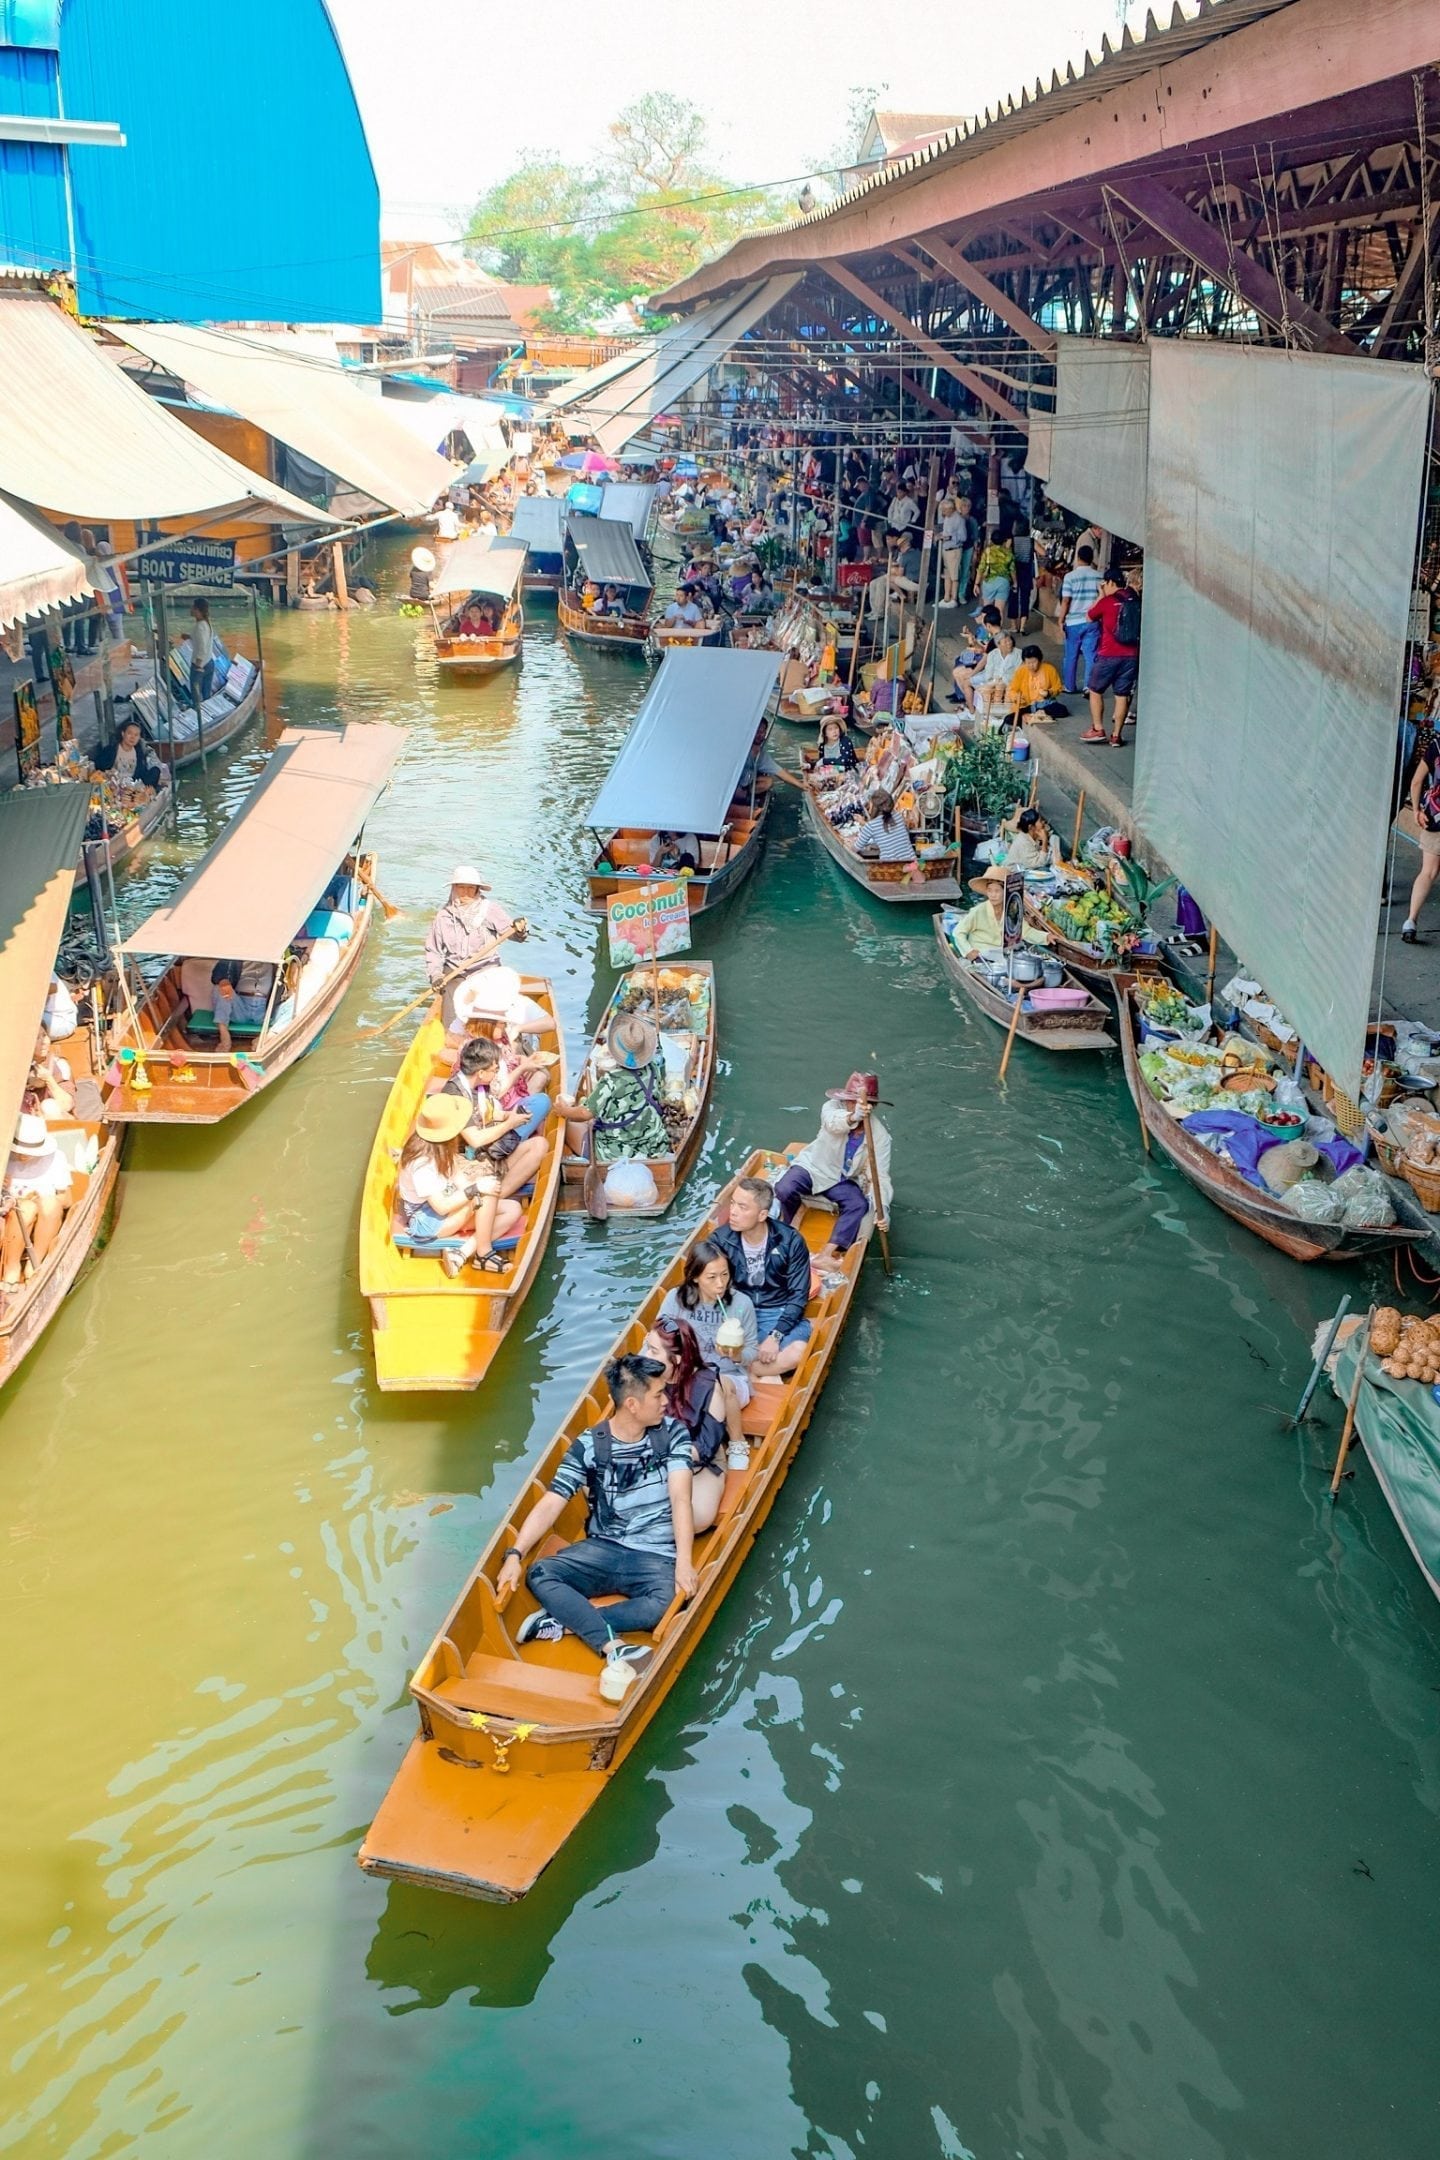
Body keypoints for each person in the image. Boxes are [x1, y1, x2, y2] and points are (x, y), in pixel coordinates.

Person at [503, 1353, 696, 1665]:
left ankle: (565, 1622)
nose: (666, 1400)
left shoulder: (673, 1434)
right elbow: (554, 1500)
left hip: (655, 1553)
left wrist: (684, 1563)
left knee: (666, 1603)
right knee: (540, 1573)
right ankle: (612, 1646)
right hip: (603, 1547)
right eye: (659, 1394)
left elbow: (680, 1499)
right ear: (632, 1404)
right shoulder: (590, 1445)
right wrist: (515, 1554)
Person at [396, 1091, 522, 1277]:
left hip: (443, 1208)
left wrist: (476, 1192)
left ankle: (462, 1253)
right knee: (484, 1191)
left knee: (513, 1208)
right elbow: (441, 1207)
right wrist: (476, 1190)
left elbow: (459, 1179)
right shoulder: (422, 1161)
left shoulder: (442, 1148)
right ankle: (484, 1254)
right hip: (426, 1221)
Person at [776, 1074, 892, 1269]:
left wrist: (884, 1210)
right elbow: (833, 1123)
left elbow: (880, 1177)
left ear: (872, 1106)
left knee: (858, 1204)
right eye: (850, 1100)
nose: (852, 1104)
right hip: (814, 1166)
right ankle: (787, 1232)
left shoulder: (880, 1136)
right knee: (784, 1188)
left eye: (860, 1103)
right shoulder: (831, 1108)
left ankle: (827, 1254)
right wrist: (853, 1117)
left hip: (841, 1179)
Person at [641, 1316, 744, 1529]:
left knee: (695, 1521)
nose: (645, 1356)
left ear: (676, 1359)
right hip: (652, 1458)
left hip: (699, 1462)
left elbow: (706, 1447)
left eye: (653, 1351)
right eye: (647, 1348)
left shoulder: (708, 1387)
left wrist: (664, 1456)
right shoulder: (644, 1377)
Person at [713, 1175, 813, 1383]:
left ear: (762, 1215)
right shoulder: (720, 1240)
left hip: (776, 1311)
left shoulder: (790, 1241)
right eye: (732, 1203)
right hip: (738, 1310)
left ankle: (748, 1370)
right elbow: (708, 1284)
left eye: (742, 1207)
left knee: (798, 1353)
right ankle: (751, 1368)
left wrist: (775, 1336)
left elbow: (798, 1296)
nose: (733, 1211)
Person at [658, 1239, 758, 1410]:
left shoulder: (741, 1304)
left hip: (729, 1378)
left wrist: (736, 1355)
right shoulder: (676, 1299)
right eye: (712, 1277)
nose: (720, 1284)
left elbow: (752, 1351)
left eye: (725, 1275)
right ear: (695, 1277)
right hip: (684, 1375)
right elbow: (658, 1339)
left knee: (709, 1391)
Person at [560, 1012, 670, 1168]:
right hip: (655, 1146)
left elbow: (584, 1113)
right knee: (593, 1120)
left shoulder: (611, 1080)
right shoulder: (653, 1069)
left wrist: (563, 1111)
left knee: (568, 1126)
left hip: (615, 1153)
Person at [442, 1036, 549, 1197]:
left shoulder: (478, 1086)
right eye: (494, 1070)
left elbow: (488, 1112)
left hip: (486, 1152)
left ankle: (498, 1194)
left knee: (539, 1145)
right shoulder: (456, 1095)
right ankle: (491, 1197)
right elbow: (475, 1139)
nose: (496, 1074)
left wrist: (508, 1116)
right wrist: (510, 1123)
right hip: (466, 1161)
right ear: (481, 1072)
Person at [424, 867, 526, 1025]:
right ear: (454, 889)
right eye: (461, 887)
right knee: (452, 1021)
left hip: (486, 970)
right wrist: (436, 975)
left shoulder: (490, 909)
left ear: (478, 889)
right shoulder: (443, 916)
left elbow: (511, 933)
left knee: (489, 1019)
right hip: (455, 973)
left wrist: (518, 930)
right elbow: (434, 951)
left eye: (471, 888)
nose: (465, 893)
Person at [1, 1111, 72, 1290]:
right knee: (26, 1208)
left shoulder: (56, 1158)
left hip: (44, 1211)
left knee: (49, 1204)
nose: (24, 1155)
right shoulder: (4, 1157)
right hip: (14, 1213)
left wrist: (40, 1198)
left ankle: (35, 1265)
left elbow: (67, 1199)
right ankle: (12, 1268)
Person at [1080, 575, 1141, 747]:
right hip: (1131, 655)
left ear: (1111, 582)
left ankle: (1098, 728)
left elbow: (1089, 617)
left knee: (1094, 689)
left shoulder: (1107, 602)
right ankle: (1116, 736)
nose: (1103, 587)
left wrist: (1101, 595)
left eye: (1104, 584)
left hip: (1108, 655)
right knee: (1122, 695)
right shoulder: (1135, 600)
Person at [949, 861, 1051, 955]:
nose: (993, 895)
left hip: (1002, 954)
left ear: (1006, 892)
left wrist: (1046, 937)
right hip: (981, 954)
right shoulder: (978, 911)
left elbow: (1026, 932)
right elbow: (958, 932)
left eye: (997, 891)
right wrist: (969, 951)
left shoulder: (1012, 911)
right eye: (990, 890)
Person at [1400, 740, 1440, 941]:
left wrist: (1416, 810)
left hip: (1435, 819)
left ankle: (1410, 922)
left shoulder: (1437, 746)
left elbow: (1416, 781)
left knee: (1428, 872)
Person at [1056, 543, 1104, 694]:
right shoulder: (1099, 576)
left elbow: (1066, 601)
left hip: (1073, 622)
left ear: (1077, 558)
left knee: (1071, 655)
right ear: (1091, 559)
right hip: (1092, 620)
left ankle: (1069, 686)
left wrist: (1061, 619)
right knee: (1091, 655)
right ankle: (1089, 687)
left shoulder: (1070, 577)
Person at [852, 790, 922, 883]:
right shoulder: (898, 816)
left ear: (874, 807)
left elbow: (856, 848)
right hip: (911, 860)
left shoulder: (870, 826)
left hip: (889, 867)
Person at [208, 959, 275, 1051]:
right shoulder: (238, 955)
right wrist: (224, 981)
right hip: (240, 1008)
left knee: (295, 1001)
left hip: (265, 1011)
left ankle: (267, 1037)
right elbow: (218, 972)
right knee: (219, 988)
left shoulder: (276, 956)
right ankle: (224, 1034)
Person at [93, 719, 163, 792]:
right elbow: (98, 767)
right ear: (123, 734)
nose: (132, 737)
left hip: (133, 787)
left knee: (155, 771)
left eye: (136, 735)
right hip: (113, 785)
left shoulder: (140, 752)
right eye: (130, 733)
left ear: (139, 738)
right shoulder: (111, 750)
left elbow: (143, 772)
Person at [973, 631, 1023, 723]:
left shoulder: (1018, 654)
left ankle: (1003, 717)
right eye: (1005, 642)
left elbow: (1018, 673)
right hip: (994, 681)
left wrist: (1003, 680)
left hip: (1011, 681)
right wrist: (994, 680)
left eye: (1010, 641)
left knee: (1002, 689)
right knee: (984, 690)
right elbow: (989, 671)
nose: (1009, 643)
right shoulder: (993, 654)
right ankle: (989, 715)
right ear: (999, 645)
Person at [1008, 644, 1065, 721]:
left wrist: (1049, 693)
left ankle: (1039, 713)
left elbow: (1058, 687)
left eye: (1034, 662)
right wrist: (1017, 698)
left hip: (1044, 704)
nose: (1031, 665)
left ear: (1039, 660)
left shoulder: (1049, 669)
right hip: (1027, 705)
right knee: (1008, 719)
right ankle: (1034, 715)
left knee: (1062, 710)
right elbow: (1012, 690)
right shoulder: (1021, 671)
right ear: (1024, 662)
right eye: (1028, 663)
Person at [29, 1027, 74, 1123]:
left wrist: (48, 1079)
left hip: (55, 1122)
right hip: (27, 1122)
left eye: (44, 1035)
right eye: (37, 1038)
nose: (44, 1042)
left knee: (49, 1106)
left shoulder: (59, 1064)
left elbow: (67, 1105)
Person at [997, 805, 1055, 872]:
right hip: (1013, 874)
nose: (1043, 823)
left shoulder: (1028, 837)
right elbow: (1040, 863)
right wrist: (1045, 840)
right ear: (1031, 827)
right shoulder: (1023, 842)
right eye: (1040, 821)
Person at [974, 532, 1015, 614]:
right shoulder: (1008, 553)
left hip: (989, 581)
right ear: (1004, 541)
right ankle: (998, 626)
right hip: (1004, 582)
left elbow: (981, 568)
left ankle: (986, 626)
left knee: (987, 609)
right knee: (1000, 611)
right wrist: (1015, 583)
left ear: (991, 540)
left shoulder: (987, 551)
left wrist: (976, 583)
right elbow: (1012, 570)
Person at [188, 599, 215, 711]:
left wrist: (198, 665)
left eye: (193, 607)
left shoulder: (200, 626)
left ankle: (199, 722)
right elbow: (203, 641)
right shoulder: (207, 624)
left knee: (197, 699)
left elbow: (202, 648)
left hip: (200, 666)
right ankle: (207, 717)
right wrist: (190, 637)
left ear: (197, 610)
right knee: (206, 695)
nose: (191, 609)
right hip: (209, 662)